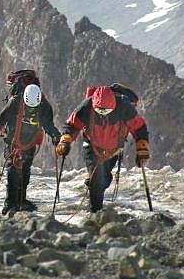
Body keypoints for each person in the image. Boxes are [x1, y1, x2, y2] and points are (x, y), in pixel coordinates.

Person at [56, 85, 150, 213]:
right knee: (97, 181)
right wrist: (65, 140)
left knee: (103, 179)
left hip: (113, 151)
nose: (102, 114)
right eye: (99, 110)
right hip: (91, 147)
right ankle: (95, 214)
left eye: (105, 111)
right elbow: (72, 125)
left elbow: (139, 127)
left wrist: (142, 148)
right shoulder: (87, 105)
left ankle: (95, 191)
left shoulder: (123, 106)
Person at [0, 83, 61, 215]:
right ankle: (9, 204)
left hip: (30, 144)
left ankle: (21, 202)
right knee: (13, 171)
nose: (31, 110)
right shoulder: (15, 102)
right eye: (29, 107)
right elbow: (1, 119)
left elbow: (48, 125)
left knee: (25, 173)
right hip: (13, 143)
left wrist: (56, 137)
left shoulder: (44, 107)